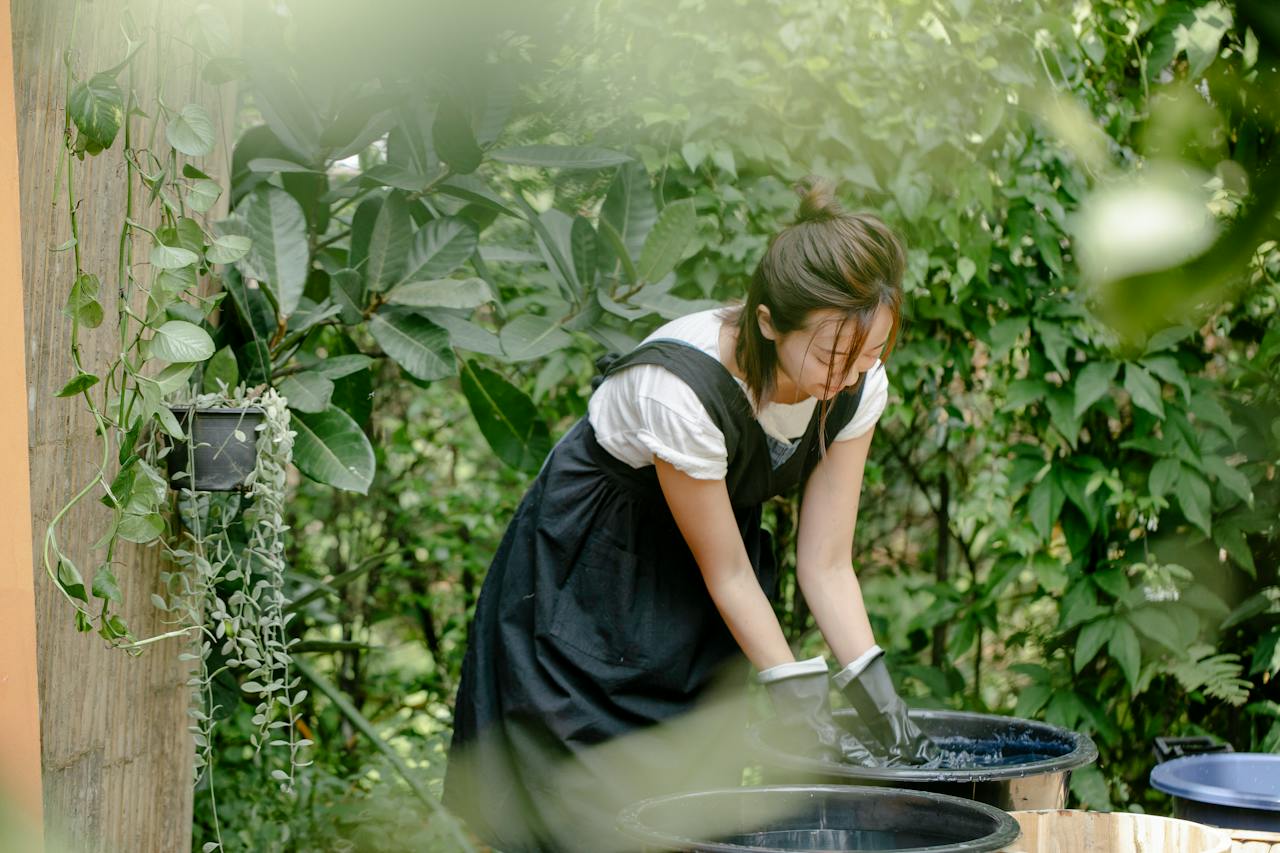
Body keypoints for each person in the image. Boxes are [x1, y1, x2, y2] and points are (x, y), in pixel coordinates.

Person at [443, 177, 939, 852]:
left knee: (691, 808)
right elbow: (730, 570)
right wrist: (798, 691)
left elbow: (825, 562)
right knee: (575, 809)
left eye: (871, 353)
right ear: (767, 321)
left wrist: (874, 689)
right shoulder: (682, 387)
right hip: (592, 576)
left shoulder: (855, 386)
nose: (850, 374)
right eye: (832, 355)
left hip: (697, 590)